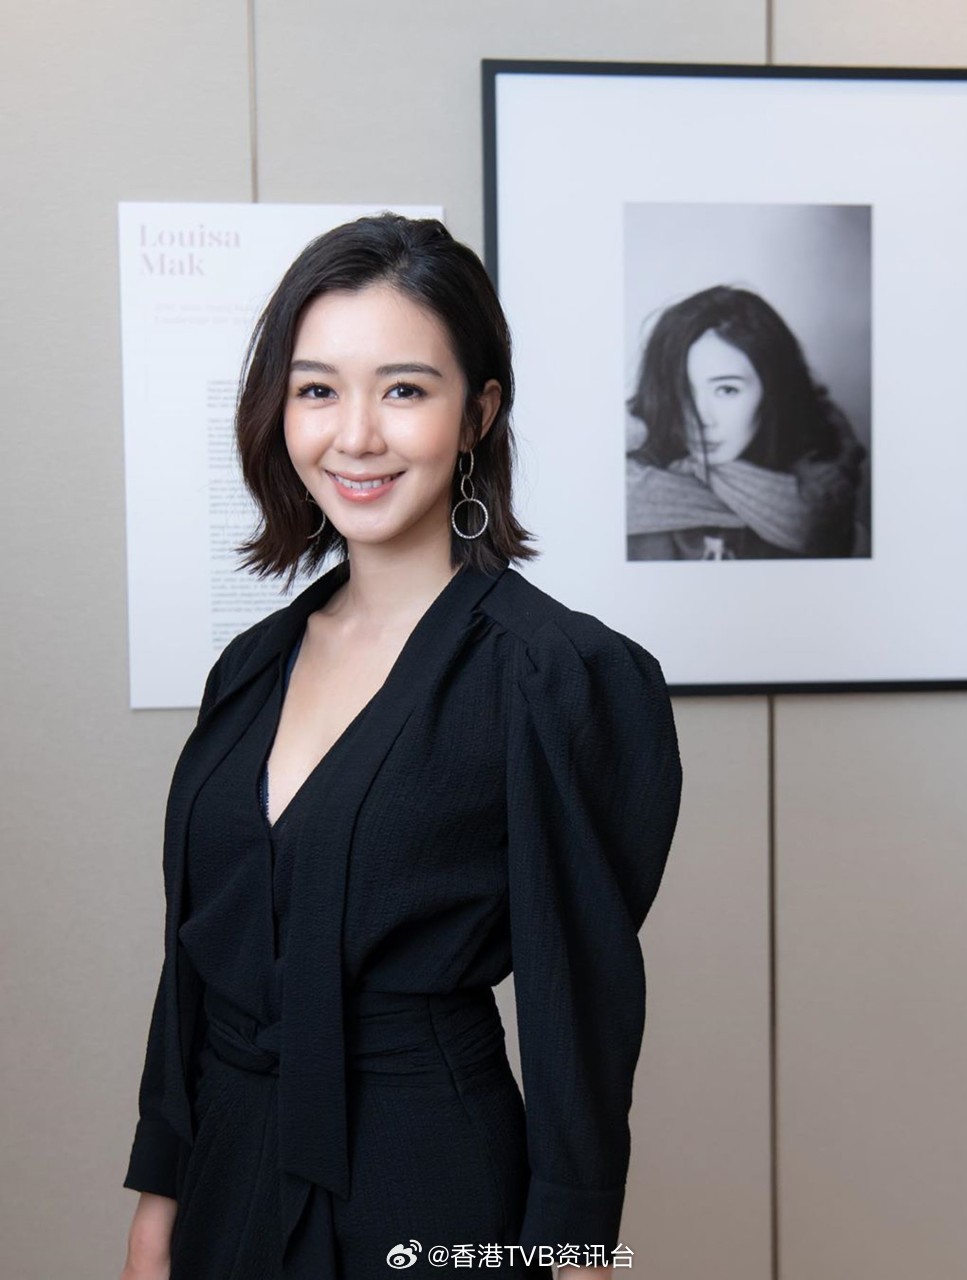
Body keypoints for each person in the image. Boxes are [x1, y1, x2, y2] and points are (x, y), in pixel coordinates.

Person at [119, 213, 682, 1280]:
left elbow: (578, 1006)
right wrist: (160, 1204)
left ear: (479, 413)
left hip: (427, 1185)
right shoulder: (249, 669)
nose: (356, 435)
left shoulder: (553, 676)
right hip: (228, 1182)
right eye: (317, 389)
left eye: (405, 390)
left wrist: (576, 1255)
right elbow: (194, 967)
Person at [625, 285, 867, 560]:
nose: (702, 419)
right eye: (683, 393)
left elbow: (816, 525)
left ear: (773, 392)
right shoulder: (622, 481)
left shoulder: (830, 497)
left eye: (727, 390)